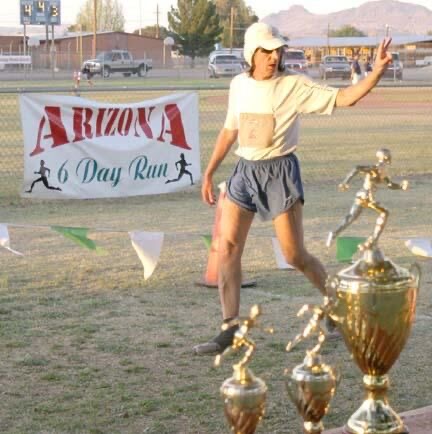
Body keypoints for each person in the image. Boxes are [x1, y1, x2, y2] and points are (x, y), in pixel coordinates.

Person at [193, 22, 393, 355]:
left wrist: (376, 72)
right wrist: (209, 172)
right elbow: (230, 130)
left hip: (280, 172)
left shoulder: (294, 85)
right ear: (251, 53)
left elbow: (345, 98)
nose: (274, 57)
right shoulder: (239, 84)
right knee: (226, 248)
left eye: (278, 50)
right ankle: (229, 330)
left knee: (294, 255)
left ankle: (337, 307)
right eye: (267, 50)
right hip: (245, 171)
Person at [326, 148, 408, 251]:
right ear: (384, 157)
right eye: (388, 155)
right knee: (353, 217)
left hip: (368, 198)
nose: (390, 157)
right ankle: (336, 234)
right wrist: (345, 182)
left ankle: (371, 240)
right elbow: (357, 168)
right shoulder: (375, 168)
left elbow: (389, 184)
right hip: (364, 196)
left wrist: (400, 186)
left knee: (356, 217)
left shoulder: (382, 170)